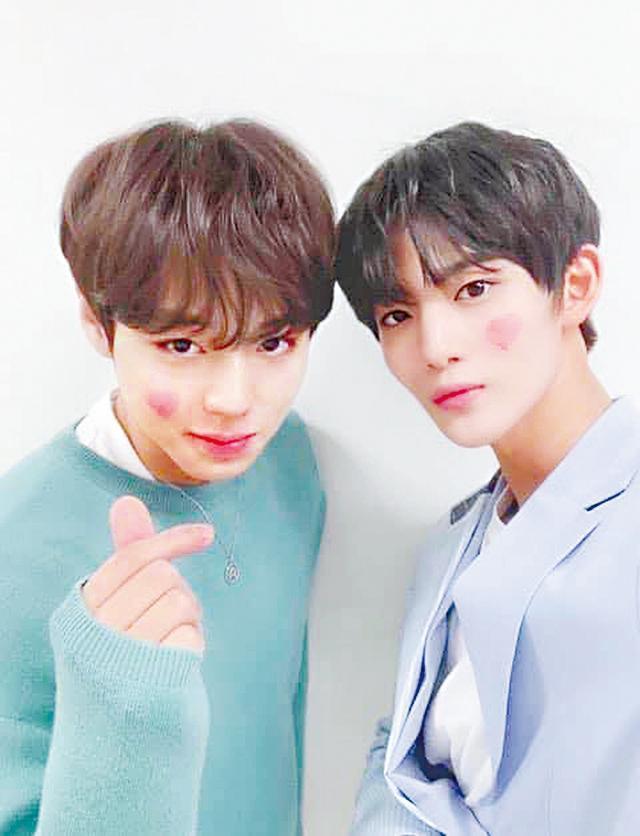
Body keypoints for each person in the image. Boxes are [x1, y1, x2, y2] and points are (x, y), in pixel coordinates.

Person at [0, 118, 334, 835]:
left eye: (274, 342)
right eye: (182, 345)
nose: (234, 400)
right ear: (98, 323)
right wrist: (123, 709)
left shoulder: (288, 463)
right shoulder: (14, 548)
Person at [335, 121, 640, 834]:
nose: (435, 346)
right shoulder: (452, 548)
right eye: (397, 314)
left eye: (473, 289)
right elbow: (405, 766)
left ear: (575, 286)